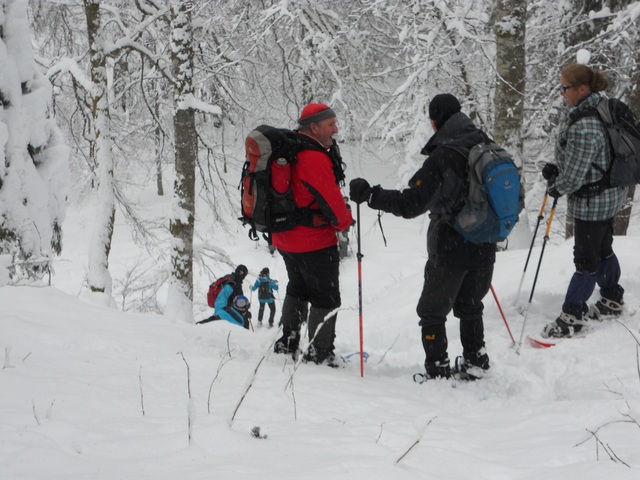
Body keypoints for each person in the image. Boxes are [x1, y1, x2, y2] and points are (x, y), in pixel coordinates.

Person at [349, 93, 496, 380]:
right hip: (486, 241)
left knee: (431, 311)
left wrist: (371, 195)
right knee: (470, 306)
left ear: (434, 120)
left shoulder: (444, 156)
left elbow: (410, 204)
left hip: (452, 243)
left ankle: (438, 369)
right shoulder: (486, 145)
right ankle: (476, 360)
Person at [540, 63, 626, 338]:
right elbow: (584, 161)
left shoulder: (584, 124)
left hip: (593, 203)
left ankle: (572, 317)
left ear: (582, 89)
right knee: (603, 249)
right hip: (610, 194)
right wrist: (559, 167)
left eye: (565, 88)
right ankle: (612, 298)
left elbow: (575, 178)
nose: (562, 93)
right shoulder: (599, 107)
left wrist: (556, 186)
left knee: (585, 261)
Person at [271, 103, 353, 366]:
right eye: (330, 124)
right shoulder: (313, 157)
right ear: (314, 127)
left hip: (285, 238)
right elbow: (335, 208)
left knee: (297, 287)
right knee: (326, 297)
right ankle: (320, 352)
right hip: (313, 242)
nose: (335, 129)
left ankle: (288, 342)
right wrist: (345, 221)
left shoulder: (289, 151)